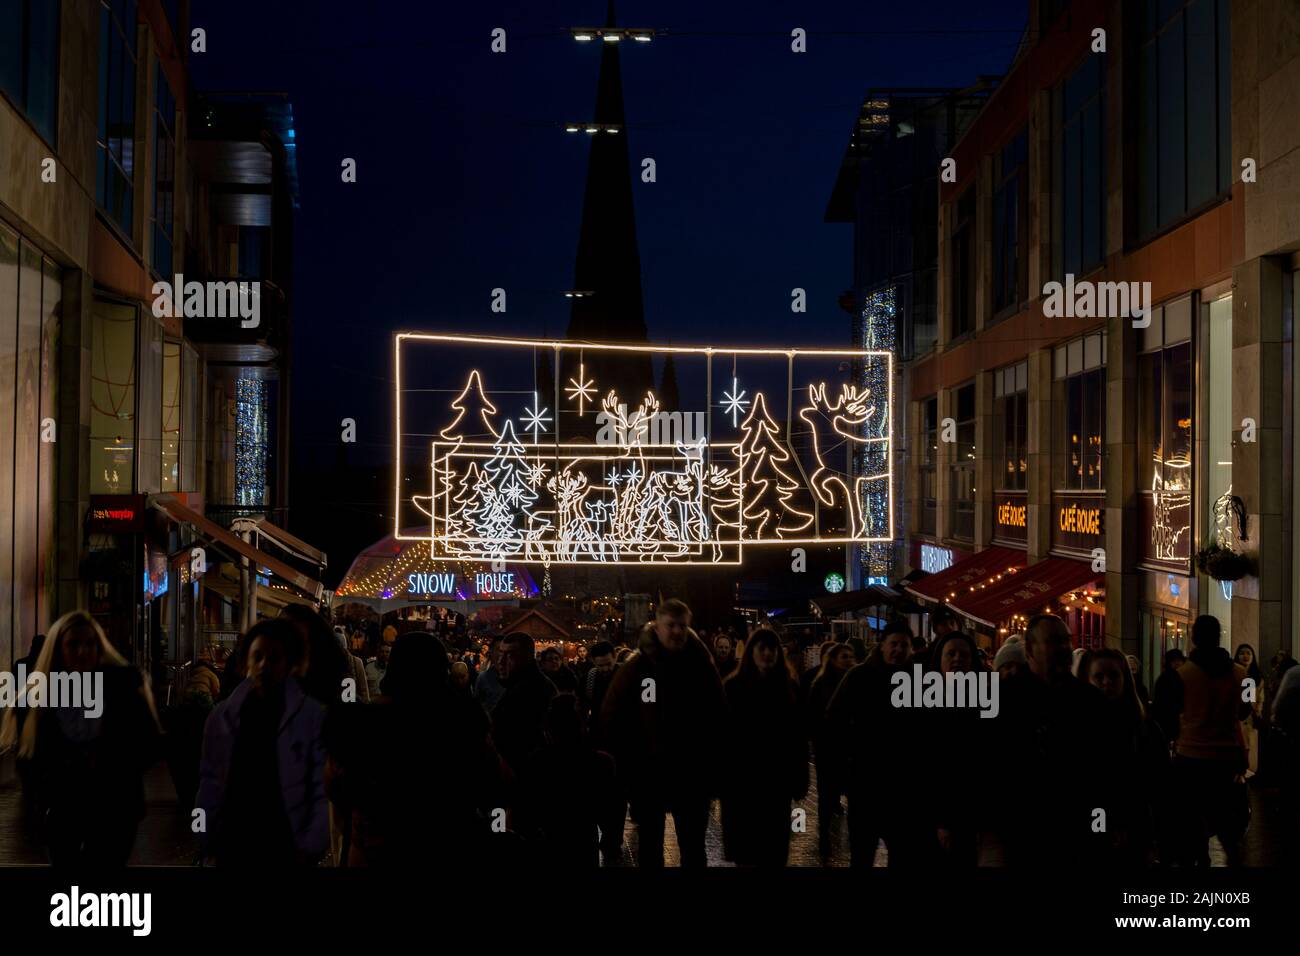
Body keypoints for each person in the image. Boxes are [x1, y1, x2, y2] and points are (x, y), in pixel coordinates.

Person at [330, 632, 509, 866]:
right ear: (441, 668)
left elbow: (337, 784)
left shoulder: (368, 719)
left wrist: (360, 828)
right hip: (447, 843)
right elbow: (498, 784)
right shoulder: (465, 718)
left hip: (378, 848)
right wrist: (497, 829)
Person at [0, 611, 161, 867]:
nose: (82, 651)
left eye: (89, 643)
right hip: (64, 812)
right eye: (73, 644)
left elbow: (149, 744)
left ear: (99, 647)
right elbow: (29, 761)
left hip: (115, 810)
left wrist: (114, 769)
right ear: (59, 650)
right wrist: (44, 805)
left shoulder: (124, 689)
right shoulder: (38, 700)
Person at [599, 599, 727, 867]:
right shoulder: (636, 668)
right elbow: (612, 718)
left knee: (693, 848)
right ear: (657, 627)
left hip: (692, 773)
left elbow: (719, 715)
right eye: (671, 625)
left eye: (682, 625)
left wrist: (712, 761)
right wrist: (629, 762)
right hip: (648, 773)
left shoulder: (702, 666)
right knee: (650, 847)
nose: (677, 631)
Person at [197, 619, 328, 867]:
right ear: (246, 660)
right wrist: (203, 837)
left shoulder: (310, 716)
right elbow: (208, 781)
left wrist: (312, 843)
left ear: (290, 663)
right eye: (257, 656)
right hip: (232, 839)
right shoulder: (222, 717)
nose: (263, 665)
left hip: (284, 842)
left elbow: (318, 786)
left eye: (274, 658)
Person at [990, 614, 1104, 868]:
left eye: (1066, 640)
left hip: (1076, 829)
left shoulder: (1090, 701)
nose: (1064, 648)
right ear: (1030, 649)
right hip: (1021, 830)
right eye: (1053, 641)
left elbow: (1106, 767)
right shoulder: (1003, 700)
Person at [826, 620, 926, 867]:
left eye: (904, 645)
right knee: (862, 852)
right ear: (882, 645)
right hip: (865, 784)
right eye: (894, 644)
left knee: (903, 853)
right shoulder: (859, 676)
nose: (898, 650)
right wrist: (847, 761)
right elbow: (833, 719)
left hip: (904, 789)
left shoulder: (919, 681)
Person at [719, 628, 808, 867]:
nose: (768, 654)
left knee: (775, 851)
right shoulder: (733, 688)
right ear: (752, 653)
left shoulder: (789, 688)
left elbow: (798, 738)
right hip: (743, 785)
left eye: (773, 649)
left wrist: (800, 778)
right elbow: (723, 738)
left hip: (776, 785)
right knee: (747, 853)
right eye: (762, 649)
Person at [1167, 615, 1251, 866]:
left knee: (1193, 816)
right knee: (1225, 818)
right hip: (1226, 756)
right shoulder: (1241, 674)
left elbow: (1173, 712)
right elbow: (1246, 711)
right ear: (1218, 637)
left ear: (1194, 638)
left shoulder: (1182, 675)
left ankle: (1199, 858)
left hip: (1190, 755)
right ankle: (1234, 857)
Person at [1078, 648, 1170, 866]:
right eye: (1099, 677)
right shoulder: (1076, 728)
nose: (1106, 682)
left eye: (1113, 676)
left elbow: (1161, 783)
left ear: (1125, 679)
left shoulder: (1145, 728)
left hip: (1135, 825)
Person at [515, 695, 621, 867]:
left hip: (549, 838)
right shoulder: (600, 763)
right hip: (584, 838)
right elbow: (610, 809)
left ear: (549, 731)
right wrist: (612, 842)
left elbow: (526, 807)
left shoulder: (537, 762)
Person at [922, 631, 986, 867]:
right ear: (939, 660)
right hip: (930, 812)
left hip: (970, 814)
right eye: (951, 654)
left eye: (964, 655)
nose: (958, 659)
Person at [807, 642, 854, 860]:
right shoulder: (821, 684)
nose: (848, 660)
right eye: (844, 656)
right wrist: (818, 743)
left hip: (851, 751)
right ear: (833, 659)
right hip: (828, 751)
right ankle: (824, 837)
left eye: (850, 656)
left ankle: (855, 838)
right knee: (826, 797)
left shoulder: (856, 681)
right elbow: (813, 718)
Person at [492, 633, 558, 775]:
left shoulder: (531, 691)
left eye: (510, 655)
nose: (501, 661)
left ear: (526, 658)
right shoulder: (519, 686)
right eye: (501, 654)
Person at [1235, 644, 1263, 775]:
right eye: (1242, 653)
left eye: (1248, 653)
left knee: (1248, 746)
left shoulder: (1257, 675)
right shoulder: (1234, 672)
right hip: (1236, 716)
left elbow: (1259, 699)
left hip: (1251, 718)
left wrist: (1257, 711)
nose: (1245, 656)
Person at [1150, 648, 1187, 745]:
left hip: (1168, 719)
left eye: (1179, 661)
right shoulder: (1170, 678)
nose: (1177, 663)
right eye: (1174, 661)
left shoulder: (1165, 678)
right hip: (1169, 719)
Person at [472, 635, 507, 715]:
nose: (501, 654)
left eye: (504, 651)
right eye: (498, 650)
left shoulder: (517, 679)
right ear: (491, 651)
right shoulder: (483, 678)